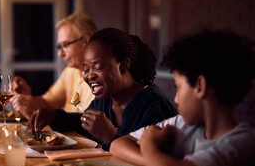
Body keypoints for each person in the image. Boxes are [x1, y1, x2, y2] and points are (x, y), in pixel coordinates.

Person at [110, 30, 255, 166]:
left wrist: (149, 144)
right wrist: (155, 163)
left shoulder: (243, 143)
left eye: (178, 87)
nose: (176, 99)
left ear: (200, 86)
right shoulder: (183, 124)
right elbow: (117, 145)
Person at [29, 28, 178, 150]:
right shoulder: (106, 100)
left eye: (98, 67)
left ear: (124, 66)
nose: (89, 76)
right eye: (86, 69)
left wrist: (111, 137)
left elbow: (151, 160)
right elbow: (83, 123)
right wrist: (54, 116)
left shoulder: (153, 106)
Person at [11, 12, 97, 119]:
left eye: (65, 45)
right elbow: (47, 103)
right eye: (59, 47)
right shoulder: (70, 72)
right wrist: (28, 99)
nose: (60, 53)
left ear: (86, 41)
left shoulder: (100, 79)